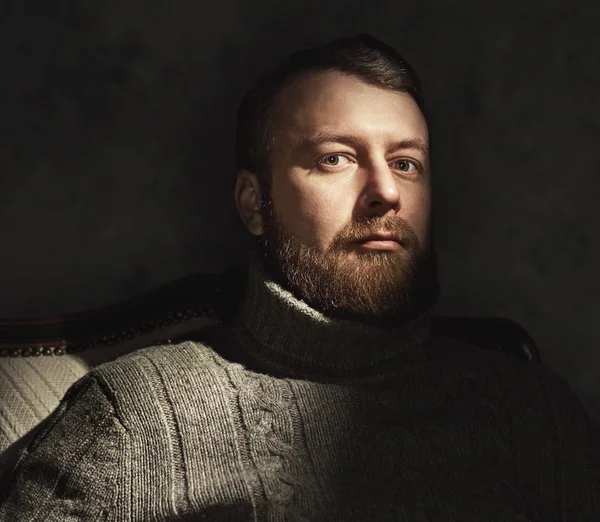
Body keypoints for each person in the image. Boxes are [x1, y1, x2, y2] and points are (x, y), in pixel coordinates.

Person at [1, 33, 599, 521]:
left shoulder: (531, 413)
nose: (387, 192)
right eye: (336, 158)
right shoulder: (137, 416)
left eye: (406, 163)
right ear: (254, 203)